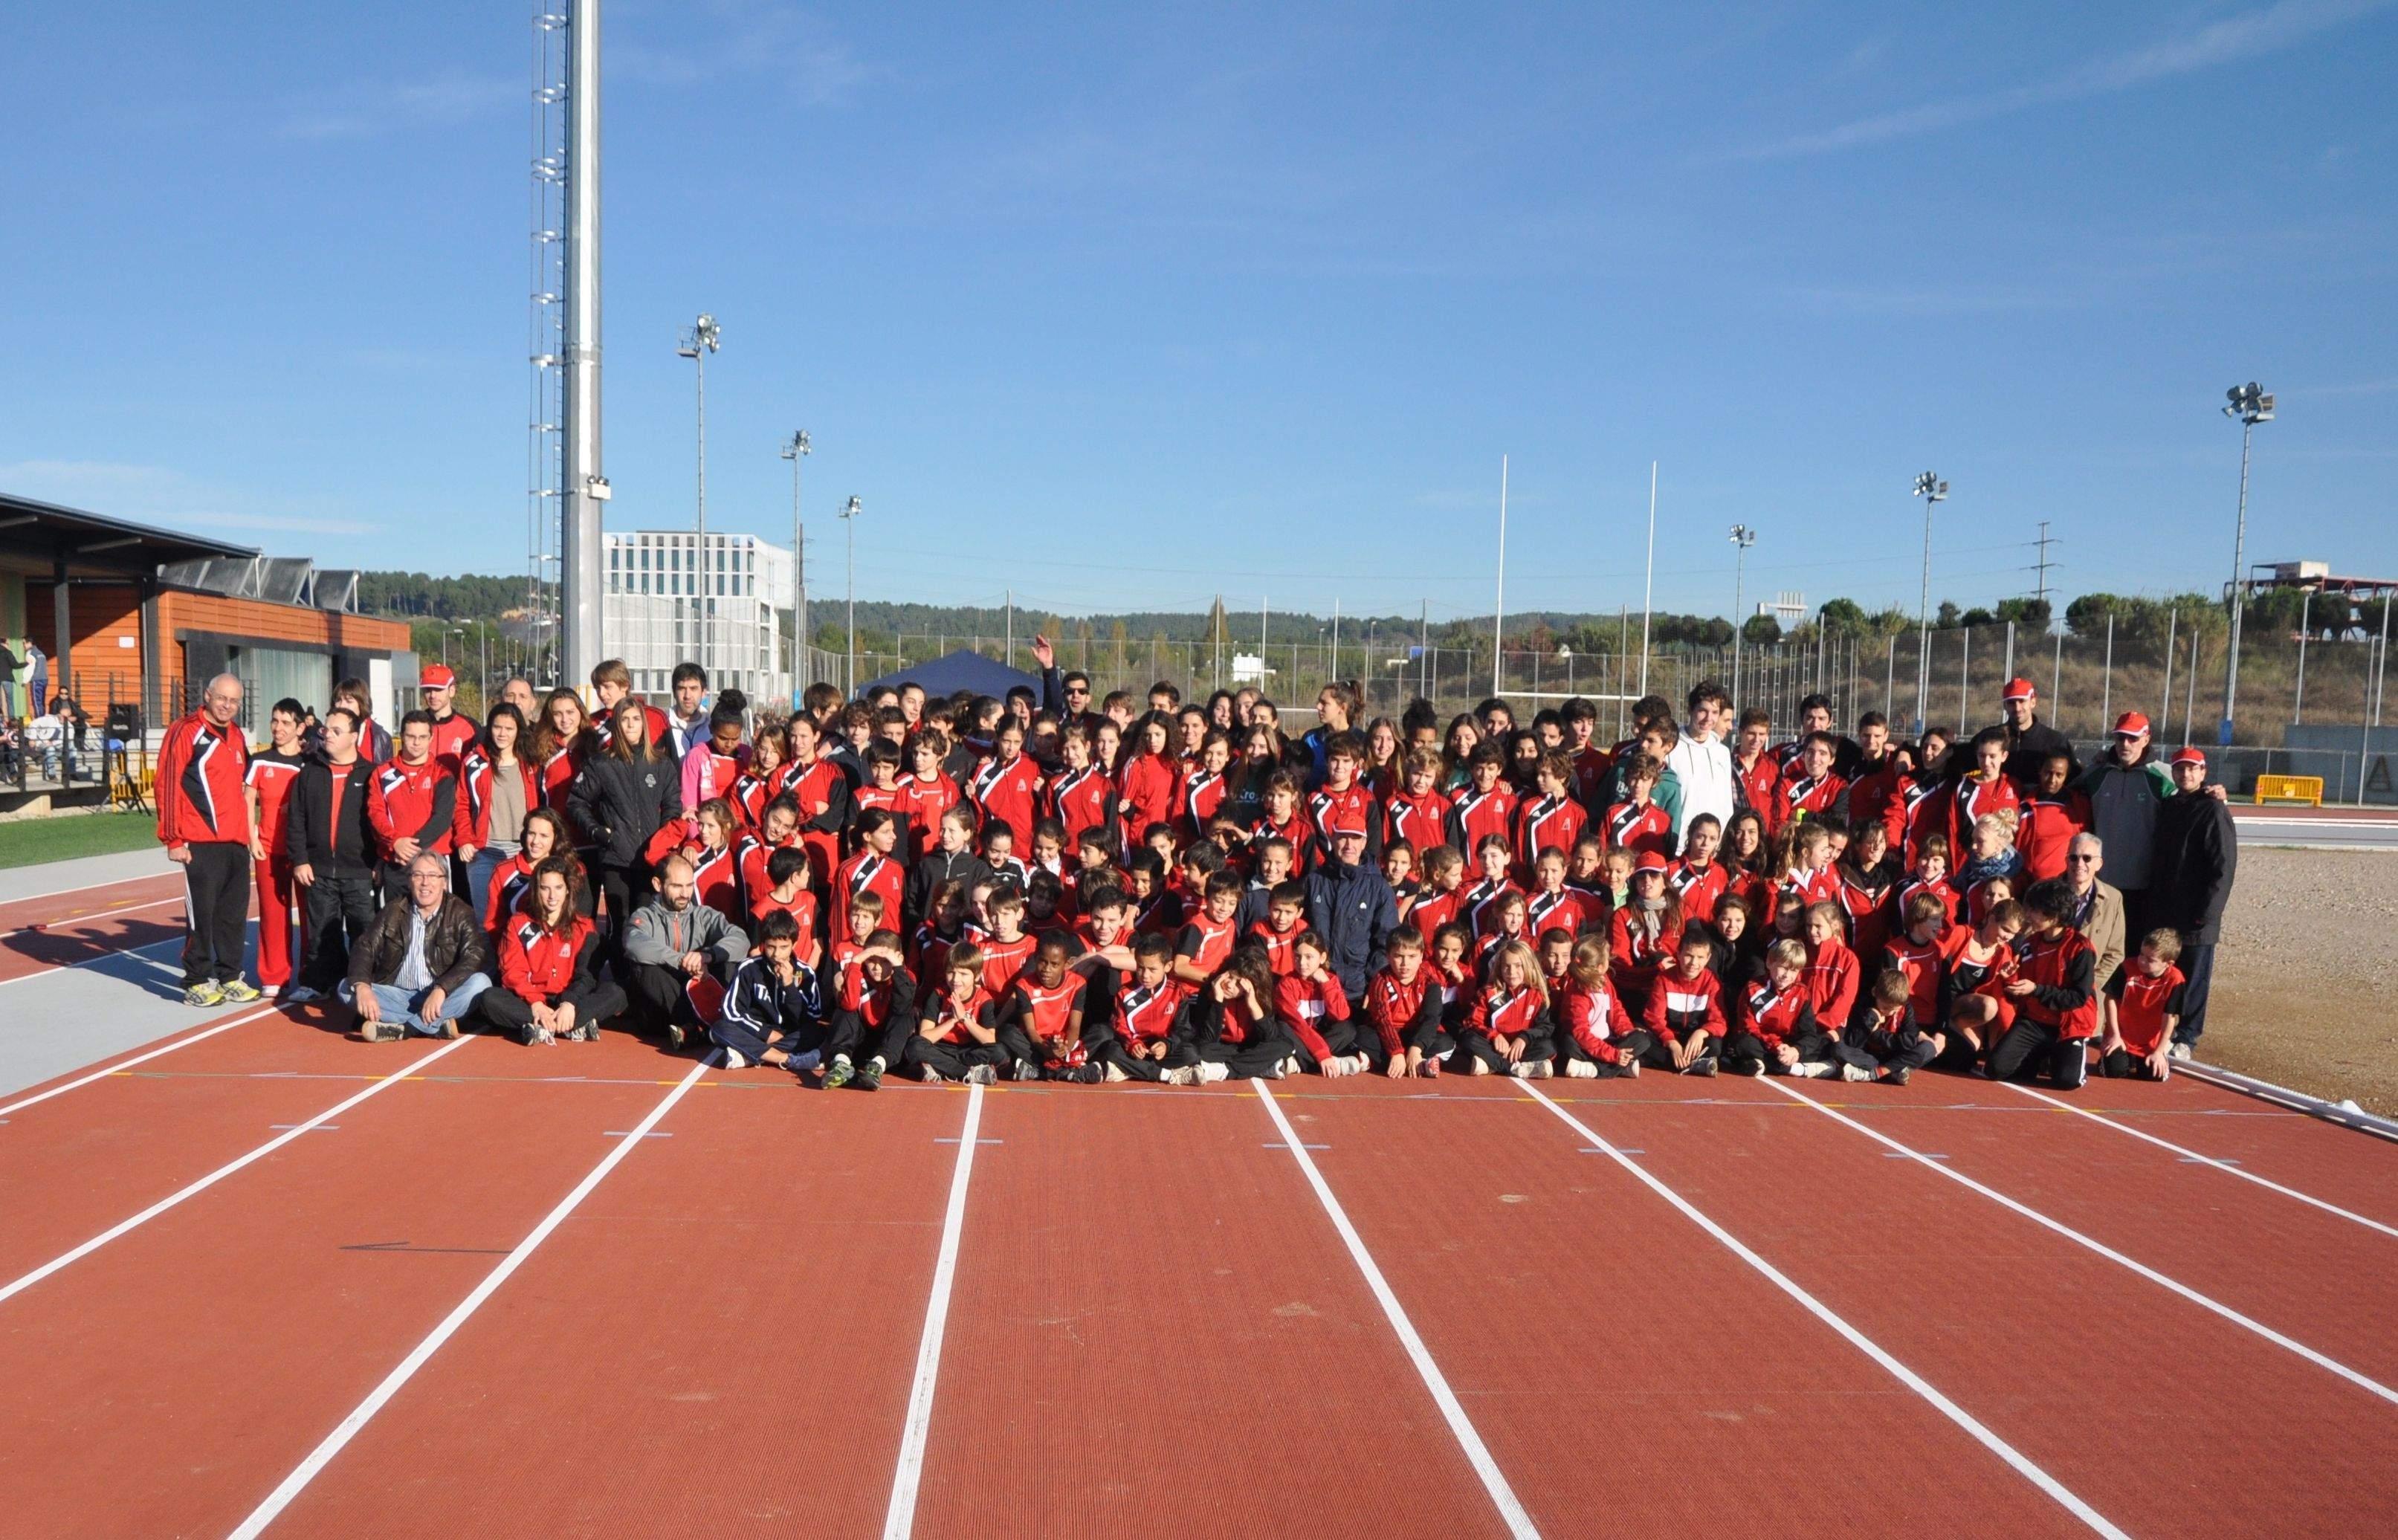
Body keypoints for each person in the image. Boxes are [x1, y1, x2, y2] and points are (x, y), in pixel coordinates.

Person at [156, 672, 259, 1007]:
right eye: (222, 698)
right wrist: (173, 839)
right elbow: (167, 782)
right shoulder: (186, 730)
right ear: (207, 695)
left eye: (234, 701)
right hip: (200, 841)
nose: (227, 706)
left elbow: (246, 786)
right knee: (201, 915)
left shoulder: (237, 735)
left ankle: (229, 976)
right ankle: (196, 980)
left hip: (235, 842)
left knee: (232, 915)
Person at [569, 697, 683, 951]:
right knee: (619, 924)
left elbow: (673, 807)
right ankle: (618, 984)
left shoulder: (661, 764)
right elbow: (576, 802)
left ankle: (640, 985)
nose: (630, 725)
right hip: (616, 859)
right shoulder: (600, 764)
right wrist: (597, 832)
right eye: (624, 719)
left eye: (635, 719)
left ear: (643, 723)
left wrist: (661, 844)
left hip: (649, 861)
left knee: (645, 924)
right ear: (616, 725)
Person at [342, 852, 491, 1041]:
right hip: (398, 996)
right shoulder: (394, 909)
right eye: (418, 875)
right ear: (410, 881)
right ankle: (432, 1025)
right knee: (346, 988)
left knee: (481, 983)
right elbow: (365, 946)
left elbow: (474, 955)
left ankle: (405, 1029)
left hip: (440, 996)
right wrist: (363, 987)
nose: (424, 882)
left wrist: (442, 989)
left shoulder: (461, 912)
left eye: (432, 876)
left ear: (444, 882)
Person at [2147, 746, 2236, 1059]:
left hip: (2198, 914)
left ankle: (2187, 1037)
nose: (2186, 774)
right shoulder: (2169, 806)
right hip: (2167, 908)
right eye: (2180, 769)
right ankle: (2164, 1031)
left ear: (2203, 772)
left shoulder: (2213, 809)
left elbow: (2223, 866)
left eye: (2192, 769)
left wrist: (2209, 912)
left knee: (2195, 977)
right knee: (2167, 972)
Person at [285, 705, 378, 1003]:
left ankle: (366, 984)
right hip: (319, 869)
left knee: (364, 931)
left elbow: (379, 823)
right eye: (326, 729)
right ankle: (320, 983)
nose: (328, 735)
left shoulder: (372, 773)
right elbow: (296, 819)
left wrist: (378, 863)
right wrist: (300, 859)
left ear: (355, 736)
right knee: (322, 932)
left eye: (337, 731)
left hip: (360, 871)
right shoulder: (310, 772)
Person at [478, 856, 624, 1044]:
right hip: (531, 1000)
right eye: (545, 888)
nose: (552, 896)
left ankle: (552, 1024)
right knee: (489, 998)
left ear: (568, 890)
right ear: (536, 890)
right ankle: (561, 1025)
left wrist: (569, 1003)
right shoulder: (518, 923)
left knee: (616, 993)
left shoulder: (584, 926)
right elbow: (512, 972)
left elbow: (586, 975)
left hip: (570, 999)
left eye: (558, 888)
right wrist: (536, 1003)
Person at [620, 852, 750, 1050]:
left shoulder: (704, 915)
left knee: (727, 961)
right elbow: (633, 943)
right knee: (645, 969)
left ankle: (698, 1028)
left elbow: (741, 940)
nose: (685, 893)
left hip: (697, 990)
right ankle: (704, 1027)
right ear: (658, 884)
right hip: (660, 1013)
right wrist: (681, 961)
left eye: (689, 885)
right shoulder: (644, 916)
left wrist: (707, 956)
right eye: (677, 886)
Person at [1987, 879, 2098, 1088]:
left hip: (2069, 1025)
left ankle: (2064, 1057)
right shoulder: (2030, 944)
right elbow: (2017, 995)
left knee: (2067, 1081)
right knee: (1996, 1069)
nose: (2028, 915)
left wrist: (2037, 990)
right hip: (2034, 1022)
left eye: (2034, 911)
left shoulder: (2079, 948)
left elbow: (2078, 998)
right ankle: (2040, 1056)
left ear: (2054, 915)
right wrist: (2010, 980)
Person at [2077, 713, 2174, 932]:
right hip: (2101, 883)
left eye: (2133, 738)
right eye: (2120, 738)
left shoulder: (2163, 777)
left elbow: (2194, 795)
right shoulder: (2096, 774)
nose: (2125, 744)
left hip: (2144, 886)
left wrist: (2215, 792)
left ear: (2147, 739)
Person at [244, 697, 310, 999]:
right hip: (268, 849)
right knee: (272, 914)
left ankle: (310, 976)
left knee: (311, 915)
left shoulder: (310, 764)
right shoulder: (259, 760)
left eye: (286, 723)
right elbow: (247, 800)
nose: (278, 728)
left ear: (299, 728)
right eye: (275, 721)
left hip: (303, 853)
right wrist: (252, 838)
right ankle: (275, 975)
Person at [710, 909, 824, 1074]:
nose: (777, 954)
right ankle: (787, 1059)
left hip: (789, 1033)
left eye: (784, 947)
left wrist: (789, 987)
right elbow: (731, 1011)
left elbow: (812, 1016)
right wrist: (766, 1033)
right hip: (755, 1031)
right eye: (771, 947)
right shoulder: (748, 968)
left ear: (794, 944)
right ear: (763, 944)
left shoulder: (805, 972)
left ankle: (748, 1056)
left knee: (818, 1032)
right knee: (720, 1028)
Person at [454, 702, 537, 926]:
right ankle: (489, 963)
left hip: (523, 852)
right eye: (497, 727)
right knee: (485, 922)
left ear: (519, 730)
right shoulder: (474, 762)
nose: (502, 733)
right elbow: (461, 804)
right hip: (485, 852)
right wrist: (464, 840)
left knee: (522, 920)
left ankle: (513, 963)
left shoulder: (531, 763)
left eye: (509, 729)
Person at [1302, 820, 1400, 1000]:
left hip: (1358, 992)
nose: (1349, 845)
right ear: (1332, 839)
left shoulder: (1378, 888)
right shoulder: (1314, 882)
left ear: (1364, 843)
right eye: (1343, 837)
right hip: (1314, 986)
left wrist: (1374, 985)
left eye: (1355, 838)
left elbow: (1386, 942)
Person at [366, 711, 456, 899]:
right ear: (401, 736)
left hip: (433, 864)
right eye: (411, 736)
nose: (417, 742)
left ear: (431, 738)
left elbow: (442, 819)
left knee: (436, 926)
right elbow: (376, 813)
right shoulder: (382, 773)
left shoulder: (443, 775)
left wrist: (411, 850)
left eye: (423, 737)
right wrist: (395, 842)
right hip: (395, 860)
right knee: (395, 924)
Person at [2101, 930, 2188, 1081]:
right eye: (2141, 954)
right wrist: (2114, 1035)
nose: (2142, 961)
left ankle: (2144, 1059)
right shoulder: (2127, 968)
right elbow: (2110, 999)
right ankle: (2122, 1058)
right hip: (2122, 1035)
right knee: (2114, 1071)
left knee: (2154, 1075)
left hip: (2150, 1042)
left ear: (2168, 964)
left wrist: (2159, 1051)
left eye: (2150, 960)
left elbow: (2170, 1017)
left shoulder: (2175, 980)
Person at [1658, 681, 1734, 850]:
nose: (1709, 718)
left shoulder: (1722, 753)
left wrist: (1721, 844)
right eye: (1703, 711)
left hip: (1713, 849)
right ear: (1690, 710)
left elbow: (1726, 804)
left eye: (1715, 712)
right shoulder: (1671, 747)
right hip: (1677, 847)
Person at [2058, 831, 2127, 994]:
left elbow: (2115, 953)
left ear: (2099, 864)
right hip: (2049, 989)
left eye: (2087, 858)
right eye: (2074, 857)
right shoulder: (2046, 892)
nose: (2080, 864)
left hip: (2089, 997)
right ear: (2067, 860)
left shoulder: (2113, 898)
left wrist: (2089, 986)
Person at [1996, 677, 2078, 790]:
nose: (2017, 707)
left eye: (2022, 701)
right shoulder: (1991, 738)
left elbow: (2076, 780)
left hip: (2040, 806)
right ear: (2005, 706)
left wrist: (2105, 758)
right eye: (2011, 702)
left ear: (2033, 702)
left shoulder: (2056, 741)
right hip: (2001, 807)